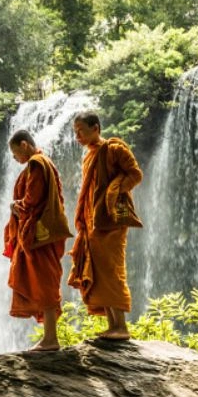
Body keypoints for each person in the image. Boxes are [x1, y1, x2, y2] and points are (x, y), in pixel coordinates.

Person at [69, 111, 143, 340]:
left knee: (112, 271)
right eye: (75, 132)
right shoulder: (88, 156)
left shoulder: (114, 149)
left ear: (96, 128)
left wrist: (115, 189)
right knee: (99, 273)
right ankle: (112, 325)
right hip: (94, 222)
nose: (77, 136)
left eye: (81, 130)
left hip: (111, 221)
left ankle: (121, 327)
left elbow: (135, 175)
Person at [3, 130, 72, 352]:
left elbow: (32, 201)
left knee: (45, 284)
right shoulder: (46, 163)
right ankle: (49, 336)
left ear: (24, 145)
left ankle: (51, 338)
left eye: (15, 154)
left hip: (38, 238)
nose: (15, 159)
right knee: (46, 282)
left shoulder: (36, 164)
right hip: (44, 237)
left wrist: (15, 206)